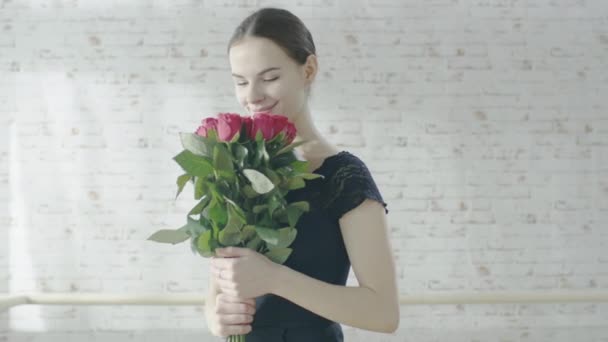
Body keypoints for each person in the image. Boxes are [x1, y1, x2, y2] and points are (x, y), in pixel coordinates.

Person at [204, 7, 399, 341]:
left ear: (308, 69)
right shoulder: (237, 166)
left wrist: (275, 279)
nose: (252, 96)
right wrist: (216, 317)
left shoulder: (344, 176)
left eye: (269, 78)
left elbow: (384, 313)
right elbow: (219, 288)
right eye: (240, 81)